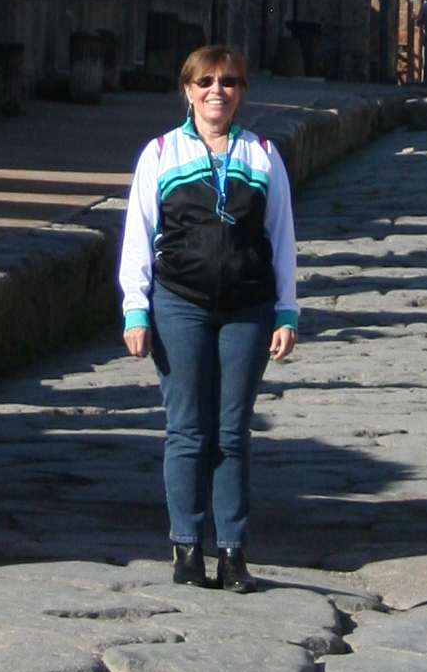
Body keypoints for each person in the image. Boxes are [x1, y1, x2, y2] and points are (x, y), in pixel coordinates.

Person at [118, 44, 298, 589]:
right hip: (179, 303)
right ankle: (186, 546)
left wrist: (287, 312)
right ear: (187, 91)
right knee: (188, 430)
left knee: (233, 433)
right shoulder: (161, 154)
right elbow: (137, 237)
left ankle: (233, 551)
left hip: (248, 307)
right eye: (205, 82)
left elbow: (282, 237)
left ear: (242, 91)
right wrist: (135, 308)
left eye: (228, 81)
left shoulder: (263, 154)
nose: (216, 91)